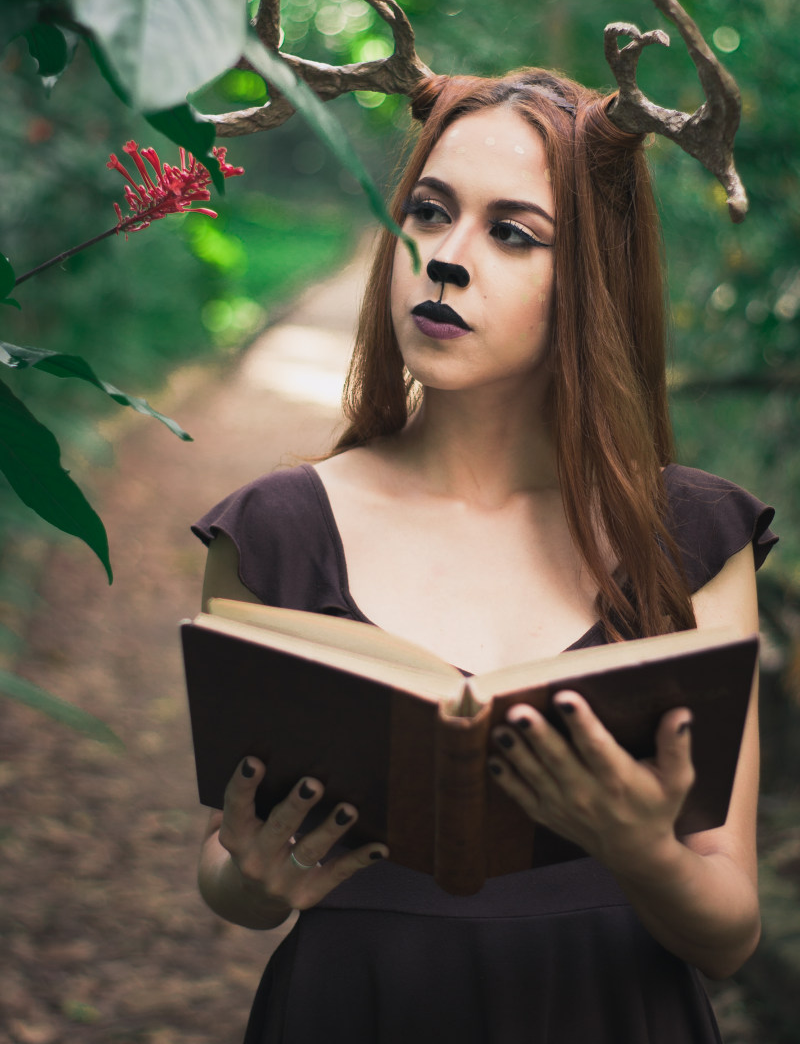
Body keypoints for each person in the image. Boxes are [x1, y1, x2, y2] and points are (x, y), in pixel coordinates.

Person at [191, 69, 777, 1043]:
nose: (446, 259)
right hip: (351, 1013)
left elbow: (727, 933)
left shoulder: (693, 539)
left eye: (512, 232)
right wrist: (250, 879)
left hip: (612, 1014)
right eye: (428, 211)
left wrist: (641, 852)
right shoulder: (274, 535)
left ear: (592, 271)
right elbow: (222, 866)